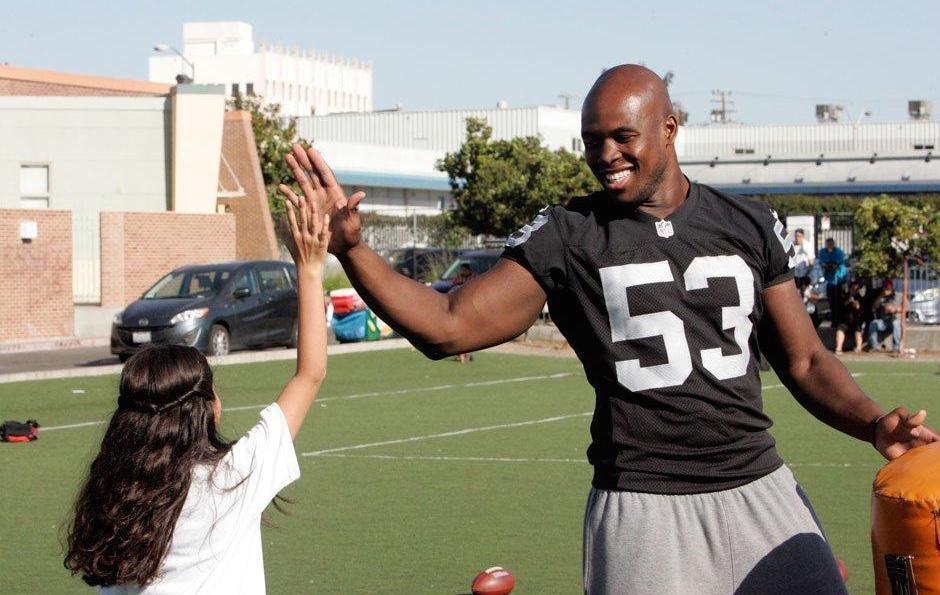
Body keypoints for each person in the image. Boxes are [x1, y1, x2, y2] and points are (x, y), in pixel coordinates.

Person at [282, 64, 937, 594]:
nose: (605, 154)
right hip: (645, 508)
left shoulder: (746, 223)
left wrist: (875, 422)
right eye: (592, 139)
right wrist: (353, 250)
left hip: (759, 488)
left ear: (670, 128)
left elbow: (806, 361)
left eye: (623, 136)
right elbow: (447, 327)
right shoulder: (569, 235)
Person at [64, 190, 331, 593]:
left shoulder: (113, 495)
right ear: (207, 410)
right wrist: (309, 269)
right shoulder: (232, 478)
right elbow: (310, 374)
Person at [818, 237, 848, 339]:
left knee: (839, 301)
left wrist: (831, 265)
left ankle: (838, 321)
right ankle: (834, 320)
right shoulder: (823, 252)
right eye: (828, 244)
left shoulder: (838, 251)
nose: (829, 245)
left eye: (831, 243)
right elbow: (822, 263)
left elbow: (838, 263)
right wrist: (829, 265)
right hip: (829, 281)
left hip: (838, 280)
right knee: (831, 301)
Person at [868, 280, 902, 352]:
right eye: (885, 288)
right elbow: (874, 307)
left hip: (895, 320)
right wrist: (881, 296)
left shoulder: (898, 295)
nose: (887, 289)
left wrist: (896, 310)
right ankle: (874, 346)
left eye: (888, 288)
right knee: (873, 323)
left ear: (892, 287)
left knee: (895, 323)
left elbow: (906, 307)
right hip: (884, 322)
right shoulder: (881, 297)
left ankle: (896, 346)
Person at [835, 279, 865, 354]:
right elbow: (840, 307)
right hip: (845, 320)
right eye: (853, 288)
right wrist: (848, 301)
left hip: (856, 321)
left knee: (858, 329)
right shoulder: (844, 295)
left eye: (857, 289)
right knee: (840, 328)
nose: (855, 290)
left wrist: (857, 306)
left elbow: (862, 311)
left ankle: (858, 348)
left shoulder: (860, 297)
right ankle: (838, 348)